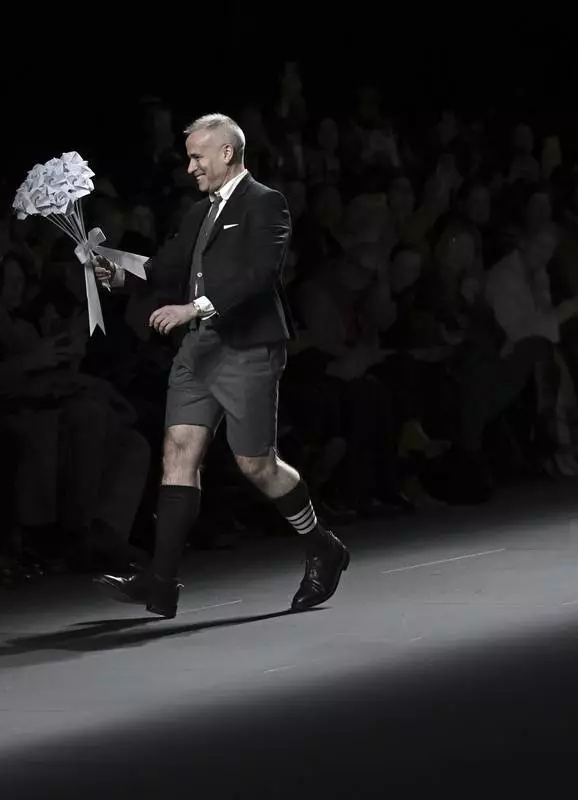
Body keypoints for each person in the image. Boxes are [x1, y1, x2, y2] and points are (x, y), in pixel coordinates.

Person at [91, 113, 350, 618]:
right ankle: (161, 583)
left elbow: (259, 276)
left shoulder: (266, 203)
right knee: (178, 451)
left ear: (226, 153)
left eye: (196, 156)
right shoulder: (198, 214)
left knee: (257, 464)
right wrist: (115, 268)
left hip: (249, 347)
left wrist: (195, 307)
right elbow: (163, 268)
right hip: (200, 349)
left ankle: (322, 545)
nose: (190, 166)